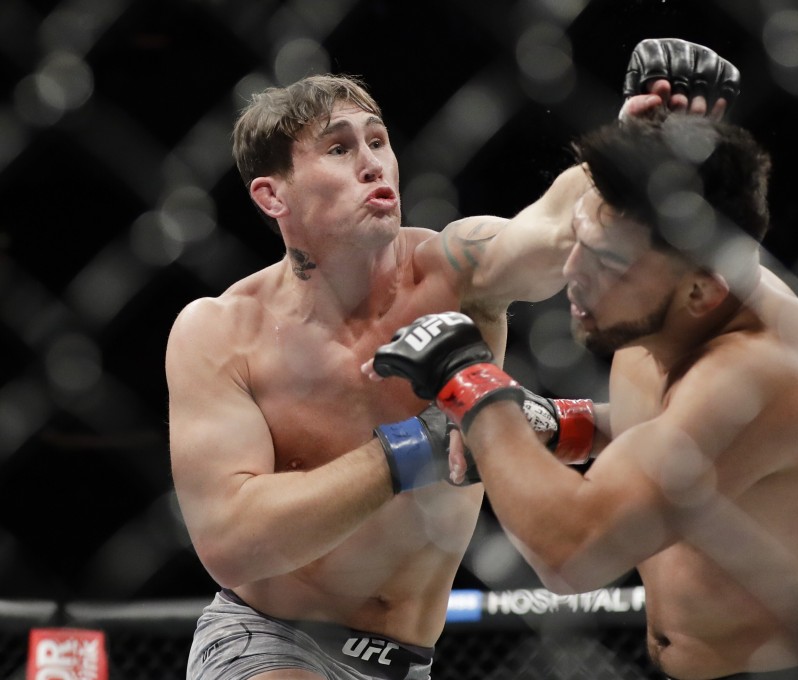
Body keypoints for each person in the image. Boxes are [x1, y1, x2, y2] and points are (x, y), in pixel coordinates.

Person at [166, 39, 739, 679]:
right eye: (338, 148)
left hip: (411, 661)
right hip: (271, 641)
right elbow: (232, 542)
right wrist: (415, 446)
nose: (372, 164)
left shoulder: (455, 269)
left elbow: (552, 232)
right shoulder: (219, 331)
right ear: (274, 197)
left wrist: (638, 146)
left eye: (378, 141)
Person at [370, 113, 798, 678]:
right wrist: (556, 425)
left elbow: (573, 553)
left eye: (608, 262)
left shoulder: (763, 372)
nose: (575, 273)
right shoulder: (659, 324)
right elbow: (664, 438)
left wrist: (473, 384)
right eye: (580, 241)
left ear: (701, 290)